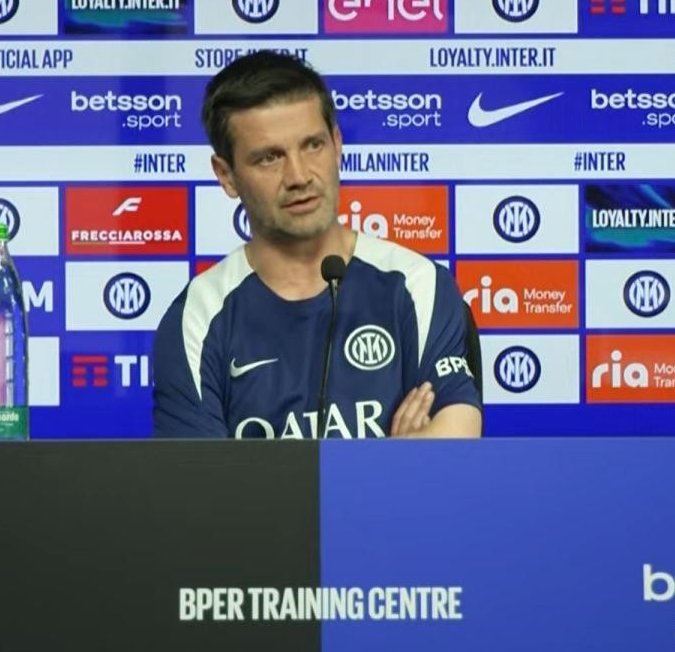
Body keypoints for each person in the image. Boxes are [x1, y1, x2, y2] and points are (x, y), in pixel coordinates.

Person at [152, 51, 481, 439]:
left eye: (312, 145)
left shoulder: (417, 284)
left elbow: (458, 436)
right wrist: (394, 456)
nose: (299, 176)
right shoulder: (198, 317)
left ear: (337, 144)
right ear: (226, 175)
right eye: (269, 158)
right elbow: (200, 476)